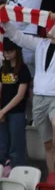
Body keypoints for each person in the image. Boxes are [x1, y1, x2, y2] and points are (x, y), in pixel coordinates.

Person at [2, 12, 55, 174]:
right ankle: (53, 177)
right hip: (39, 98)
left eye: (50, 25)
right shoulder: (41, 44)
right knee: (47, 144)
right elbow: (17, 37)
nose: (46, 27)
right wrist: (5, 20)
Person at [0, 40, 30, 169]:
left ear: (16, 52)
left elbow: (20, 95)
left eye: (10, 51)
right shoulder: (3, 69)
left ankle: (17, 171)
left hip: (16, 112)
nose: (6, 53)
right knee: (3, 144)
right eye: (5, 51)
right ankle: (4, 167)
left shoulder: (23, 69)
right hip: (3, 112)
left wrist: (3, 110)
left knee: (16, 146)